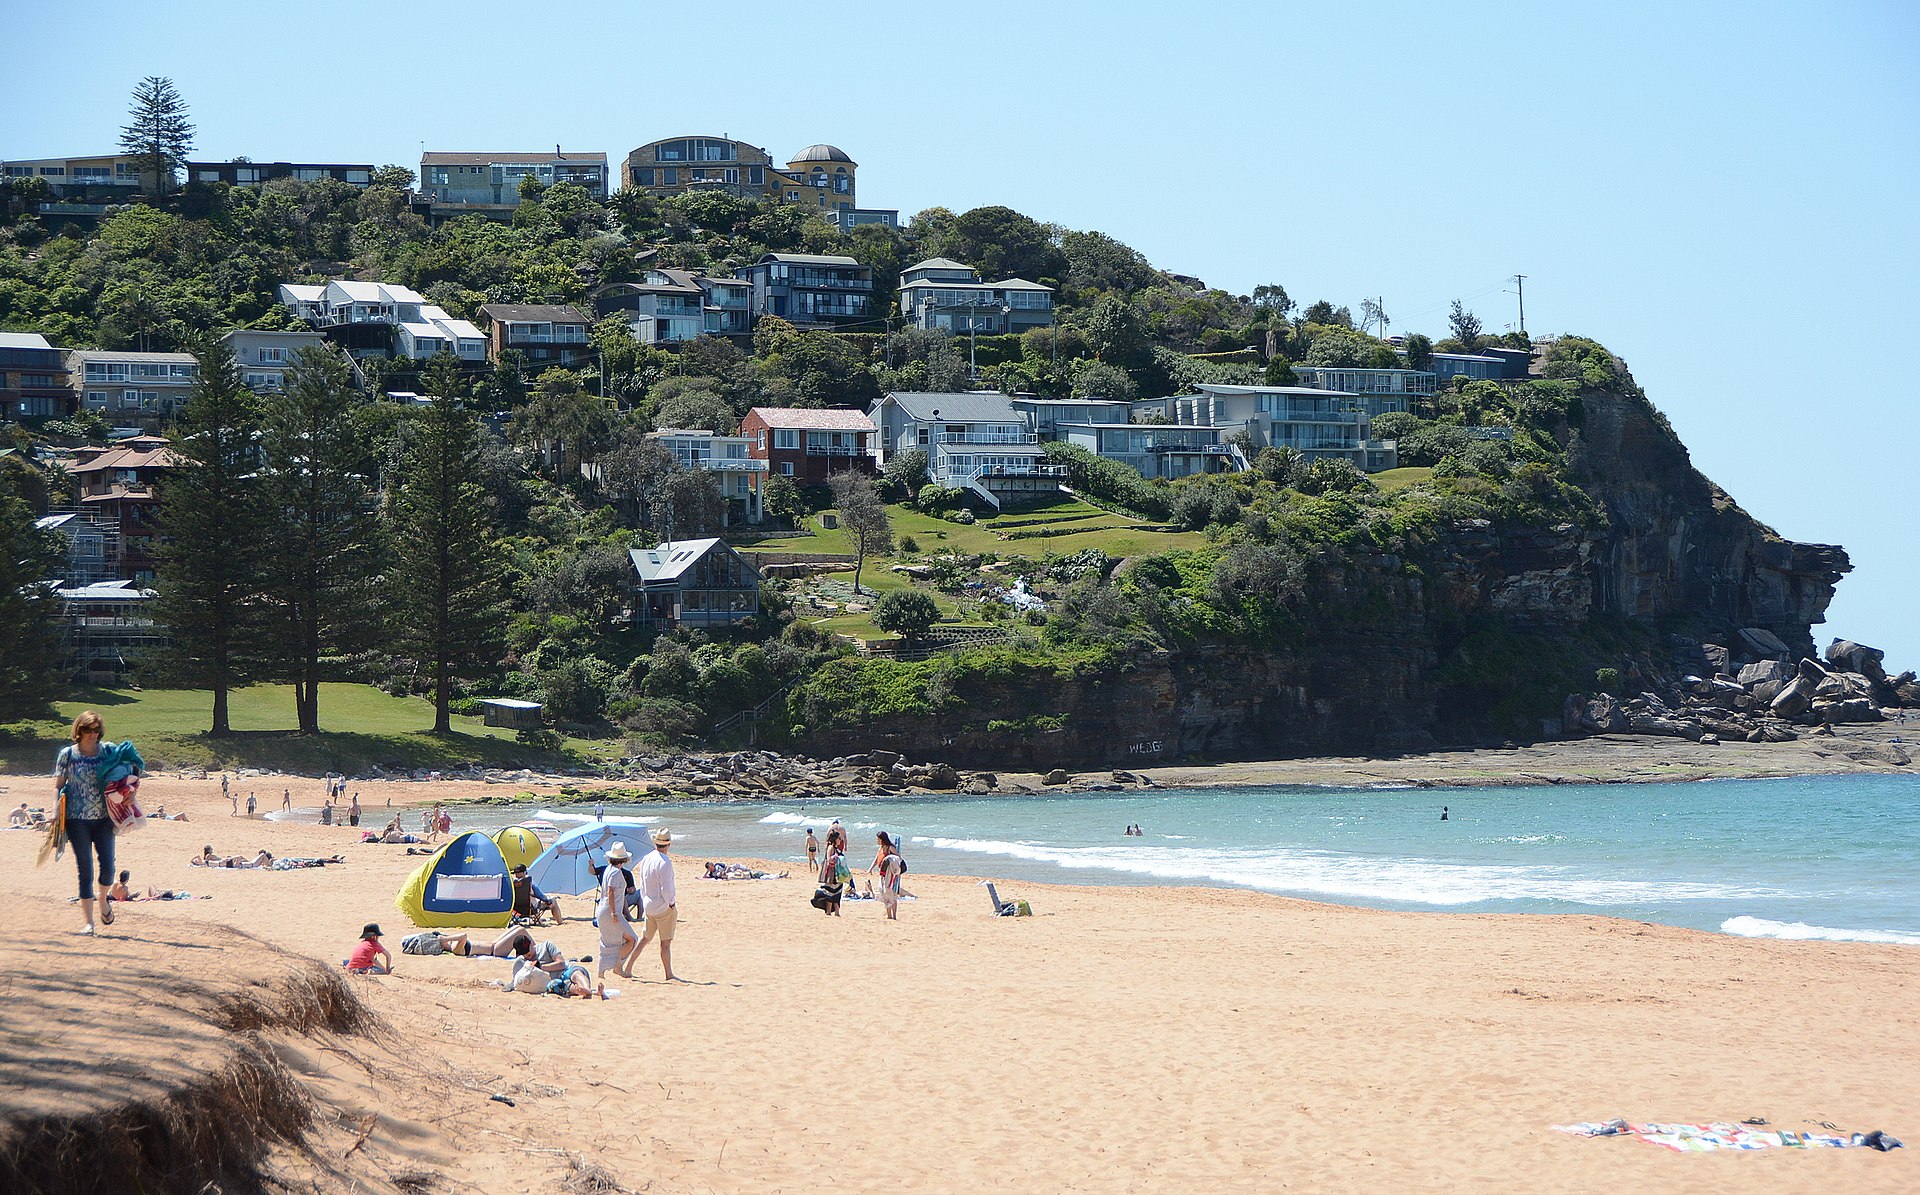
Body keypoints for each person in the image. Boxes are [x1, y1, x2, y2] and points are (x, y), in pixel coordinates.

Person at [51, 710, 123, 935]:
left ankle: (103, 900)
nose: (92, 734)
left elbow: (128, 772)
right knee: (85, 868)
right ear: (78, 731)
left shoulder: (108, 751)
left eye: (96, 730)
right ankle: (89, 923)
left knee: (108, 866)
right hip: (76, 819)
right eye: (87, 730)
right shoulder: (68, 755)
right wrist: (55, 809)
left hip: (104, 817)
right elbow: (58, 784)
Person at [627, 827, 678, 981]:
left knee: (645, 939)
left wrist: (645, 900)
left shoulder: (647, 858)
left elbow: (642, 882)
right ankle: (669, 974)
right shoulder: (665, 862)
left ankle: (628, 967)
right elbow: (666, 889)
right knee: (665, 943)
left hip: (649, 904)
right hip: (662, 906)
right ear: (668, 844)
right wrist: (671, 903)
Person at [597, 841, 639, 981]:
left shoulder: (609, 869)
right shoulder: (615, 872)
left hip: (603, 909)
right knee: (632, 939)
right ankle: (618, 967)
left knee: (609, 941)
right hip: (611, 910)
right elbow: (611, 892)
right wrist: (614, 912)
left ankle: (601, 971)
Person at [505, 935, 569, 993]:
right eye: (523, 953)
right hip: (549, 986)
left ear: (531, 944)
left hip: (564, 975)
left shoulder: (546, 946)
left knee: (576, 977)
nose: (527, 955)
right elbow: (516, 982)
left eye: (528, 951)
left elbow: (562, 964)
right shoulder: (521, 961)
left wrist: (540, 967)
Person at [817, 835, 844, 916]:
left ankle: (836, 912)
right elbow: (829, 859)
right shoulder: (831, 848)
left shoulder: (835, 848)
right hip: (831, 873)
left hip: (836, 872)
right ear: (835, 839)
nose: (840, 840)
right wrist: (837, 858)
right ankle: (829, 911)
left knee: (837, 891)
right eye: (839, 838)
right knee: (830, 891)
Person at [880, 836, 904, 921]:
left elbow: (898, 858)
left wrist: (890, 861)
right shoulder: (881, 848)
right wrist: (870, 868)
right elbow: (877, 859)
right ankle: (889, 914)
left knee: (893, 894)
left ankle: (893, 915)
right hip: (883, 875)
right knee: (885, 893)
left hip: (892, 874)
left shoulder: (890, 848)